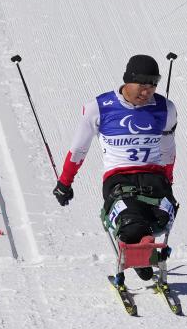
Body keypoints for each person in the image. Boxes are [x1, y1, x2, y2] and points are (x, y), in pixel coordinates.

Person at [52, 54, 179, 280]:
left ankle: (142, 252)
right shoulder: (99, 108)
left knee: (161, 220)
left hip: (154, 178)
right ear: (128, 81)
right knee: (130, 224)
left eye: (153, 86)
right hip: (119, 179)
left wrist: (168, 179)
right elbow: (78, 149)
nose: (147, 92)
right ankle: (142, 254)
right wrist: (64, 182)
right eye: (142, 86)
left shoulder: (165, 108)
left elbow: (169, 148)